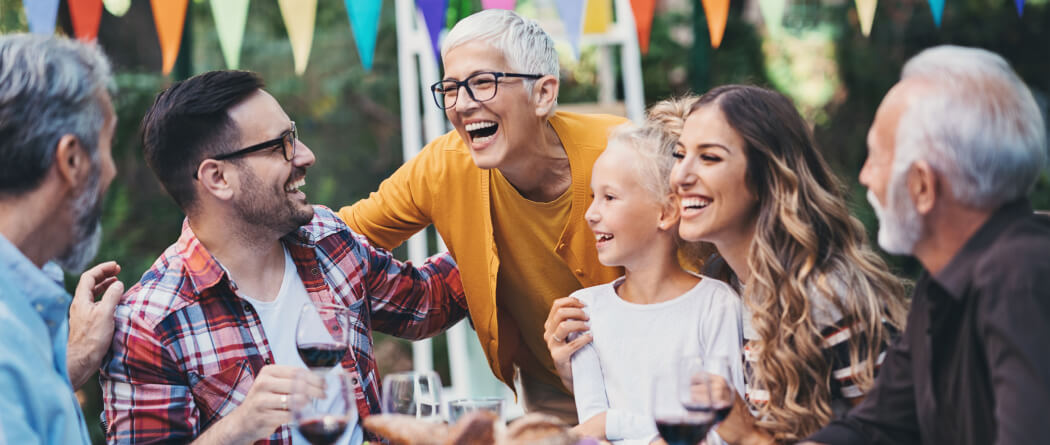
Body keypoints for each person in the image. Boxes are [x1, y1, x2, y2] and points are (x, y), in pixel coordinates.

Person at [100, 70, 468, 445]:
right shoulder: (149, 322)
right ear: (218, 178)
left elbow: (429, 301)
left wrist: (518, 205)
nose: (307, 155)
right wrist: (238, 428)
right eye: (282, 145)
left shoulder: (327, 239)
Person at [336, 9, 627, 422]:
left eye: (483, 83)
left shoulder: (620, 150)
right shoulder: (445, 165)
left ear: (543, 93)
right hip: (554, 402)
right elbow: (336, 237)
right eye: (451, 88)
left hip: (663, 385)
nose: (462, 104)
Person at [805, 46, 1050, 445]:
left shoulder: (1020, 278)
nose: (865, 176)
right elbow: (877, 426)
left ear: (922, 185)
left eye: (877, 157)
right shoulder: (942, 283)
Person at [565, 121, 744, 444]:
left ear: (666, 212)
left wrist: (613, 424)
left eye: (609, 197)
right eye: (593, 196)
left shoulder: (717, 305)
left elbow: (723, 431)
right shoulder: (584, 310)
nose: (590, 213)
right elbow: (591, 430)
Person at [0, 34, 126, 444]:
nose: (112, 172)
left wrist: (73, 361)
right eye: (109, 148)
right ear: (71, 160)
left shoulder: (28, 302)